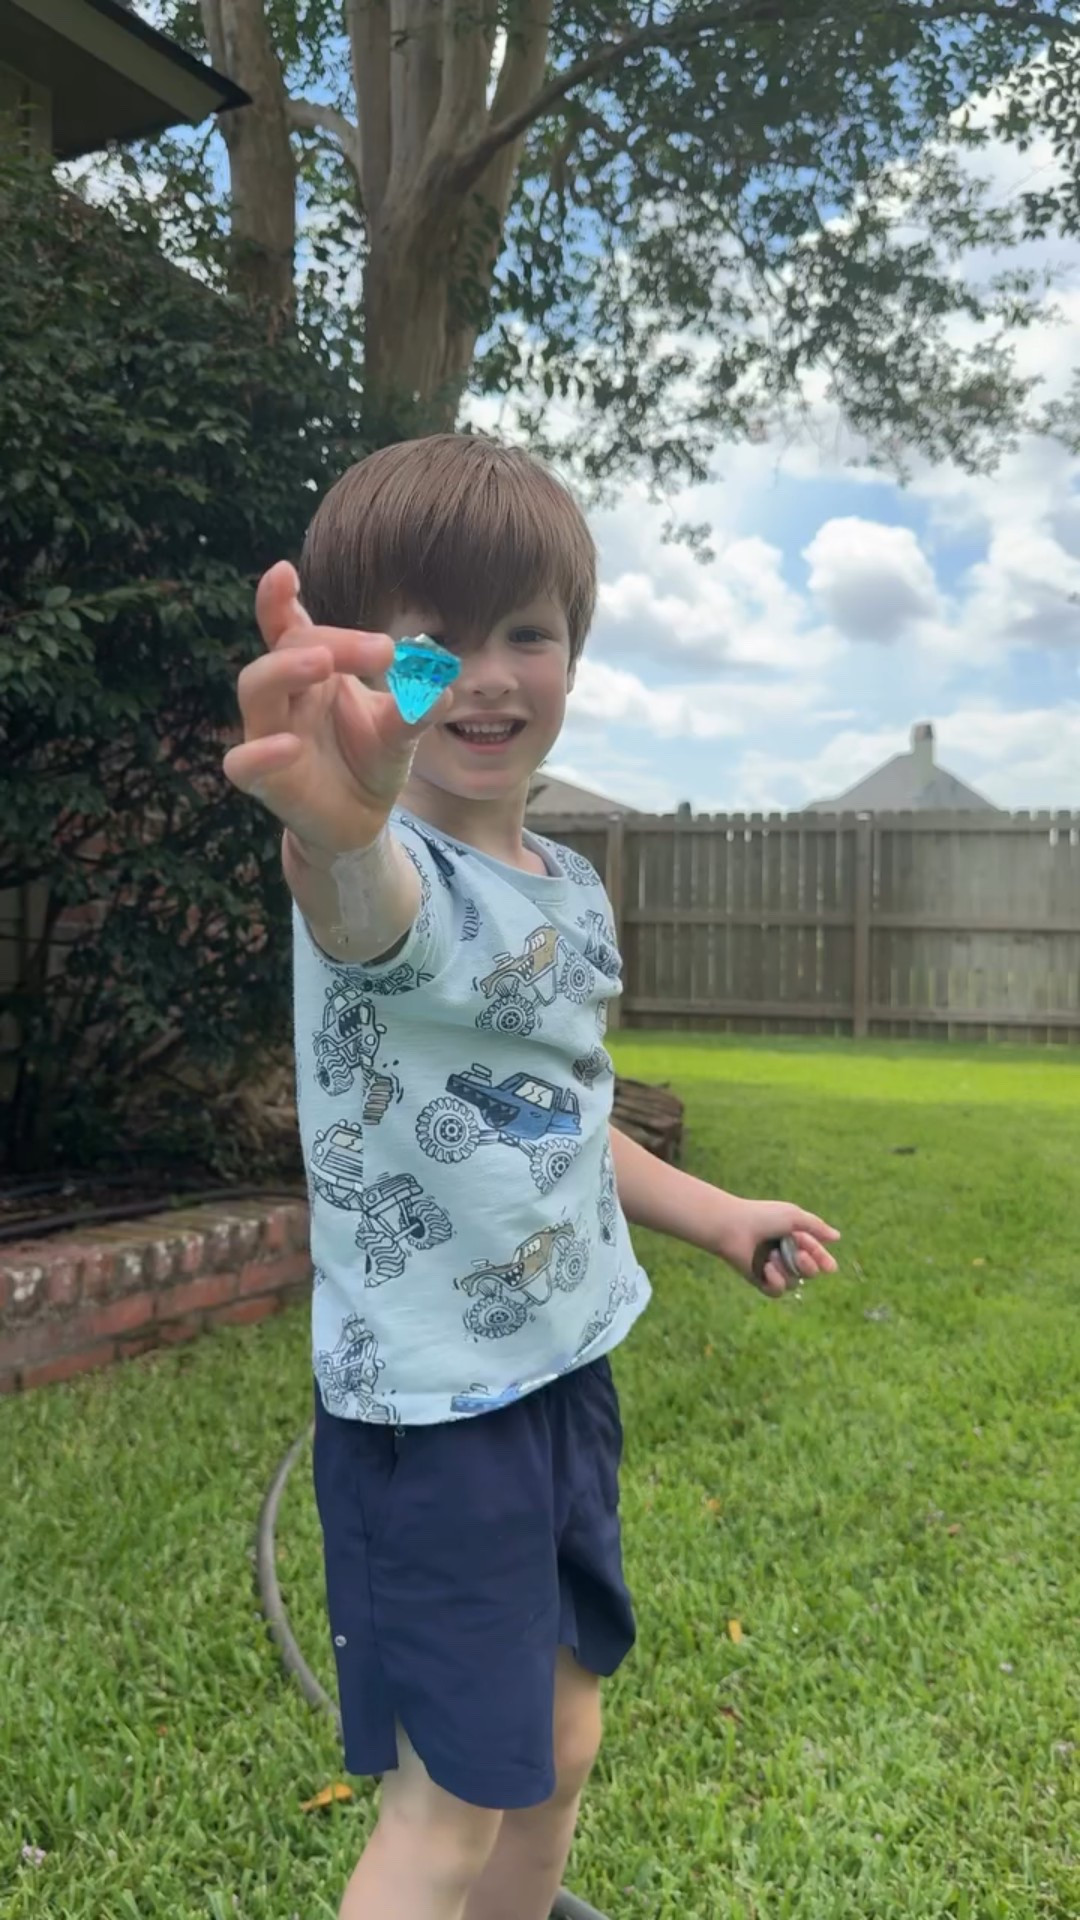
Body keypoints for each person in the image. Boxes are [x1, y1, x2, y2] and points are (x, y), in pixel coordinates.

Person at [224, 434, 840, 1920]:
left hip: (565, 1379)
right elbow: (358, 895)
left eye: (527, 634)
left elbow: (566, 1114)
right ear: (372, 675)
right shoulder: (389, 869)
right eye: (429, 644)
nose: (486, 676)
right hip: (436, 1427)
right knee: (446, 1809)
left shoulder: (564, 885)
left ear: (575, 650)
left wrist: (718, 1216)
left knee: (562, 1742)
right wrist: (336, 823)